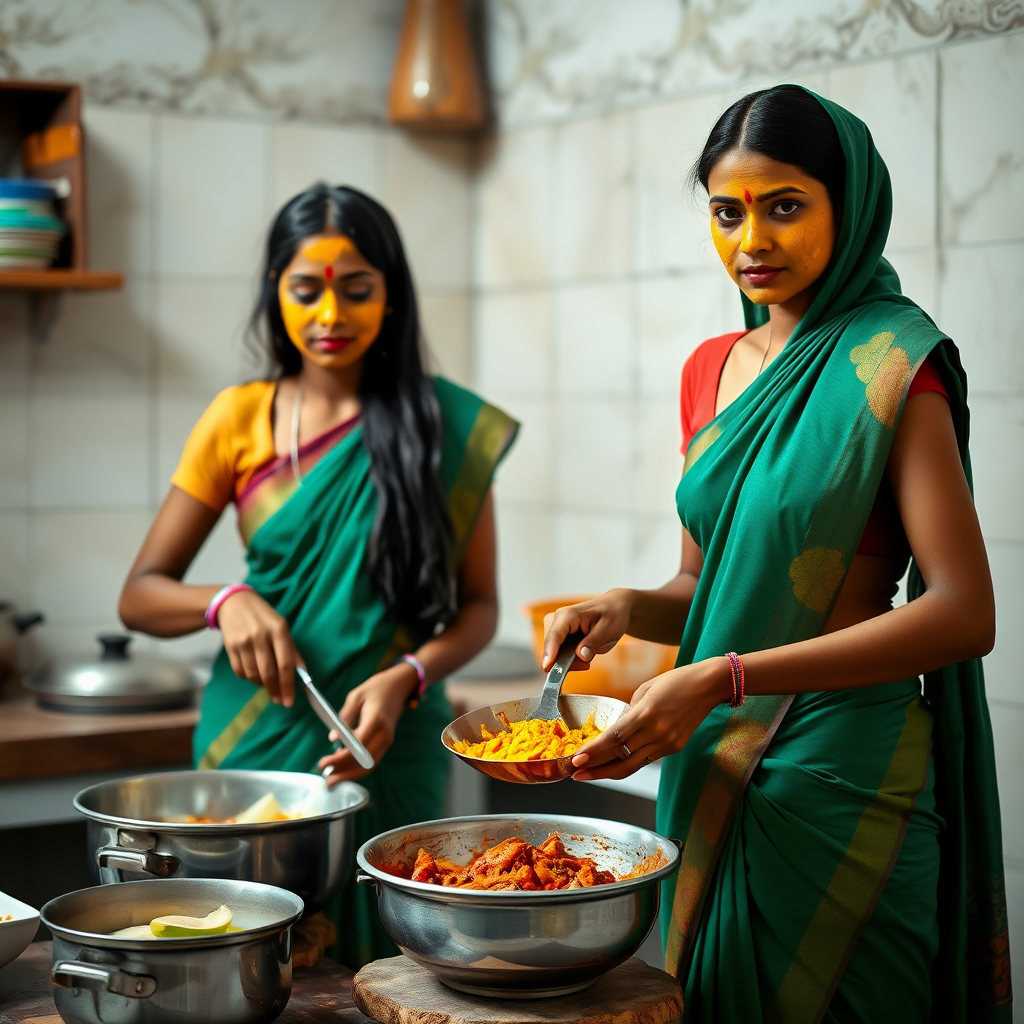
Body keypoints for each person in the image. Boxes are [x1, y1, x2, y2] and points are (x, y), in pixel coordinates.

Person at [542, 87, 1010, 1023]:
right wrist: (631, 606)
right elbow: (703, 582)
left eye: (784, 205)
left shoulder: (894, 365)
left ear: (852, 204)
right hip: (715, 763)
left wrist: (724, 678)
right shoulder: (711, 370)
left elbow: (965, 612)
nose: (750, 238)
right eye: (727, 211)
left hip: (844, 780)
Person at [119, 184, 518, 968]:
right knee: (240, 963)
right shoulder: (240, 418)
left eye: (357, 290)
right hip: (255, 738)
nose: (330, 315)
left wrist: (410, 673)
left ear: (392, 298)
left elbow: (478, 608)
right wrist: (226, 602)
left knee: (395, 968)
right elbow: (141, 594)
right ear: (277, 295)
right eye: (307, 290)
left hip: (389, 745)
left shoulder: (449, 426)